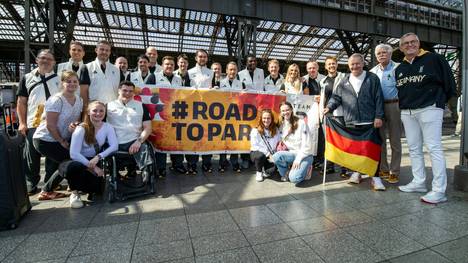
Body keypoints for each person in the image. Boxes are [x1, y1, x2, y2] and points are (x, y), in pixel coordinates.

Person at [396, 32, 456, 203]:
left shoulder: (434, 59)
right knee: (414, 148)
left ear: (419, 43)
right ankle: (419, 182)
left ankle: (439, 190)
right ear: (401, 48)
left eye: (413, 41)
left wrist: (440, 102)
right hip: (407, 111)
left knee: (433, 147)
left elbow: (449, 83)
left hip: (429, 108)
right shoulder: (400, 68)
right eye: (405, 43)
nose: (410, 45)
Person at [324, 53, 385, 191]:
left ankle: (375, 177)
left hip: (370, 121)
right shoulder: (344, 80)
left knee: (372, 149)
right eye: (352, 64)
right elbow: (336, 98)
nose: (355, 66)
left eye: (358, 63)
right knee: (355, 149)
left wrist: (379, 116)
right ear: (348, 65)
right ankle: (356, 173)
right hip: (351, 121)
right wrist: (328, 107)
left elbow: (378, 98)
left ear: (363, 64)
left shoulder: (372, 78)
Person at [33, 70, 83, 200]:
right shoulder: (56, 100)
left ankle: (52, 188)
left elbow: (75, 119)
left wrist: (74, 125)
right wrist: (61, 141)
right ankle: (46, 190)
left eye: (75, 81)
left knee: (65, 162)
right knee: (69, 161)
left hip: (61, 138)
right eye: (68, 81)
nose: (72, 84)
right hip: (45, 139)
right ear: (62, 83)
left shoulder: (79, 100)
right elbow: (50, 125)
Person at [17, 49, 61, 195]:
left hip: (54, 123)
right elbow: (22, 102)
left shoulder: (59, 79)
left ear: (54, 63)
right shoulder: (27, 78)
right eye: (43, 58)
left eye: (49, 59)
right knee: (31, 155)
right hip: (34, 122)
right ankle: (31, 183)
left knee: (52, 154)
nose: (46, 61)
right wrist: (22, 123)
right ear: (37, 60)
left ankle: (50, 182)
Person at [66, 101, 118, 208]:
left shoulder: (107, 127)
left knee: (97, 190)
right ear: (89, 112)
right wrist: (94, 168)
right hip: (79, 160)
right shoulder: (80, 129)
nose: (98, 113)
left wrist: (98, 156)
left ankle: (85, 188)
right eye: (95, 110)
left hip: (94, 159)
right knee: (74, 167)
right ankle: (75, 193)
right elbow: (74, 153)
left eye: (101, 111)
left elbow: (114, 146)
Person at [106, 81, 154, 178]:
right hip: (114, 142)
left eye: (130, 91)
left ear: (134, 93)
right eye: (124, 90)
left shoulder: (141, 106)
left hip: (134, 141)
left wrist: (139, 141)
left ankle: (146, 174)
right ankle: (114, 173)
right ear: (119, 90)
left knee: (144, 147)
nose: (127, 93)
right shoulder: (108, 106)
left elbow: (148, 128)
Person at [370, 43, 402, 184]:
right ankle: (383, 168)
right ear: (376, 56)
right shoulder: (372, 72)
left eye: (384, 52)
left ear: (390, 54)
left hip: (395, 105)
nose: (382, 55)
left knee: (395, 140)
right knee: (380, 140)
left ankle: (394, 171)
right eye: (379, 53)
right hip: (379, 107)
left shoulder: (399, 68)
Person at [154, 56, 184, 176]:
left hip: (175, 114)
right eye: (167, 64)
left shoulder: (178, 79)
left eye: (171, 64)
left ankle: (177, 164)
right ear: (162, 65)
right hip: (159, 114)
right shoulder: (154, 77)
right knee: (161, 141)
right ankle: (160, 167)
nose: (169, 66)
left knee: (176, 139)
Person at [273, 101, 316, 185]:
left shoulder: (301, 123)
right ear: (280, 112)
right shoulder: (281, 125)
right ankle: (288, 172)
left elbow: (307, 146)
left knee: (294, 179)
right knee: (276, 156)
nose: (285, 112)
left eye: (287, 110)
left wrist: (298, 159)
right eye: (283, 111)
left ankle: (307, 169)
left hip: (305, 155)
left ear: (292, 110)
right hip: (291, 154)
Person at [319, 56, 347, 176]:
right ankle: (329, 166)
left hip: (339, 114)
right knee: (328, 141)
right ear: (325, 67)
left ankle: (344, 168)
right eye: (329, 64)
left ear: (337, 65)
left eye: (333, 63)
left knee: (341, 141)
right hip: (326, 114)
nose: (331, 66)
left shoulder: (344, 77)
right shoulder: (323, 81)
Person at [188, 49, 214, 172]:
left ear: (207, 59)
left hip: (208, 110)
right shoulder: (189, 72)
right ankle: (192, 163)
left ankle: (206, 162)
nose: (202, 59)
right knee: (193, 136)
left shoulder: (211, 73)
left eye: (204, 57)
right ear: (196, 58)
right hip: (193, 109)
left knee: (207, 136)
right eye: (200, 56)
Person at [218, 62, 245, 173]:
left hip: (236, 116)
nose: (232, 72)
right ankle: (222, 162)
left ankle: (234, 162)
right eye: (230, 69)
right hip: (223, 116)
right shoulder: (219, 83)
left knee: (234, 139)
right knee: (223, 139)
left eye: (234, 70)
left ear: (237, 71)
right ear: (226, 70)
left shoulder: (241, 84)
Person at [80, 40, 120, 106]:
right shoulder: (87, 67)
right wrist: (85, 109)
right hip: (94, 110)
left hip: (113, 110)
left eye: (107, 50)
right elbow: (83, 91)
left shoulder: (117, 70)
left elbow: (120, 90)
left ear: (110, 52)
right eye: (101, 49)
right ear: (96, 50)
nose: (104, 52)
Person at [175, 54, 197, 174]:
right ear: (178, 63)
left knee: (190, 138)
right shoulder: (172, 76)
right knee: (177, 139)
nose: (183, 65)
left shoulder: (192, 79)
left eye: (185, 63)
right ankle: (177, 164)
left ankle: (192, 163)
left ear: (188, 65)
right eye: (181, 62)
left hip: (190, 113)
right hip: (176, 113)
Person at [250, 109, 281, 182]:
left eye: (268, 118)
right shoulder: (255, 130)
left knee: (271, 171)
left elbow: (278, 142)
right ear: (261, 119)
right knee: (259, 156)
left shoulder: (276, 129)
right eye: (264, 118)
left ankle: (265, 168)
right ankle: (259, 172)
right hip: (257, 153)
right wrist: (268, 154)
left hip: (271, 154)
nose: (266, 120)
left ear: (271, 119)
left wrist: (275, 154)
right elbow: (255, 146)